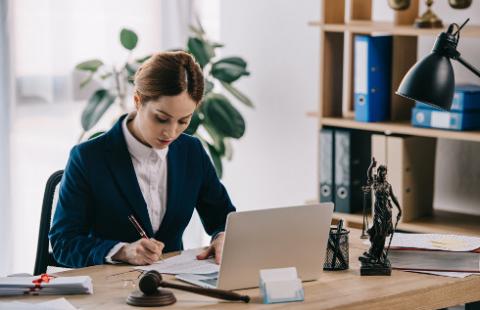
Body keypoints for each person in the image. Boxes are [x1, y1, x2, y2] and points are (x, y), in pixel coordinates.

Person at [49, 51, 235, 268]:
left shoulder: (191, 151)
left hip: (174, 287)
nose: (171, 132)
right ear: (138, 101)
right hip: (108, 289)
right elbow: (64, 243)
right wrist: (121, 251)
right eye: (161, 119)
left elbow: (223, 217)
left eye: (184, 121)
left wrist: (223, 237)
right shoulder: (88, 158)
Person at [360, 157, 402, 265]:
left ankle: (376, 256)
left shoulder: (388, 186)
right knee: (376, 233)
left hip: (387, 213)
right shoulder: (375, 183)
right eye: (381, 174)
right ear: (378, 173)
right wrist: (371, 165)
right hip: (378, 212)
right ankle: (374, 253)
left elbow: (393, 198)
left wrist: (400, 209)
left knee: (382, 234)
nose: (383, 176)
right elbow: (368, 174)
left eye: (384, 174)